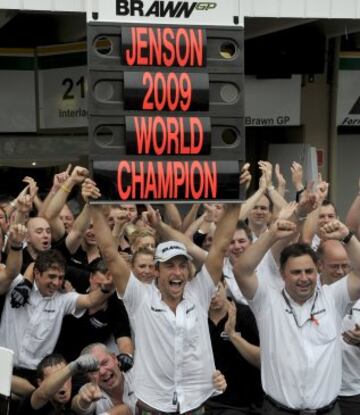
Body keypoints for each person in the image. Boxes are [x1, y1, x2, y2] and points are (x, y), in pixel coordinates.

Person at [82, 178, 237, 414]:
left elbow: (221, 245)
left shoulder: (200, 291)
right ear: (156, 270)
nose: (177, 272)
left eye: (182, 266)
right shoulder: (140, 297)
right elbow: (110, 254)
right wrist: (94, 205)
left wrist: (234, 199)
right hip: (152, 404)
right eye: (169, 266)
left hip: (195, 403)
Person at [233, 216, 360, 414]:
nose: (304, 278)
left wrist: (347, 237)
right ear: (283, 274)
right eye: (296, 272)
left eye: (309, 271)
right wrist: (271, 235)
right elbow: (242, 271)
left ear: (318, 271)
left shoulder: (333, 298)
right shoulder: (266, 301)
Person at [0, 249, 115, 385]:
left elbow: (90, 300)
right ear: (36, 273)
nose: (56, 282)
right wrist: (15, 245)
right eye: (52, 276)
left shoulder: (63, 300)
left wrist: (106, 289)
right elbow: (10, 271)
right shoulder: (16, 284)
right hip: (2, 364)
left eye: (60, 277)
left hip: (34, 375)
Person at [206, 278, 263, 415]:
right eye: (207, 292)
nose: (213, 296)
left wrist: (232, 335)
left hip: (245, 404)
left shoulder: (246, 315)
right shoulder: (197, 319)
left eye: (216, 289)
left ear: (225, 285)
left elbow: (263, 360)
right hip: (210, 402)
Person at [16, 353, 99, 415]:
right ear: (40, 383)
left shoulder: (76, 390)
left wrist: (85, 400)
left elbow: (78, 404)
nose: (62, 385)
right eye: (56, 380)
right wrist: (73, 366)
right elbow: (43, 394)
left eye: (65, 377)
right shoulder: (33, 401)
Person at [71, 343, 135, 415]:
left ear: (115, 358)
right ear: (87, 377)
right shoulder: (92, 390)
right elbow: (78, 408)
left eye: (105, 363)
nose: (102, 372)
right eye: (94, 370)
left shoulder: (137, 375)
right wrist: (83, 400)